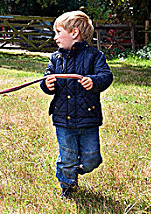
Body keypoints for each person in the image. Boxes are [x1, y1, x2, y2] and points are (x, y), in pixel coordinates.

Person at [40, 11, 113, 198]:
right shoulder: (55, 58)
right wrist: (47, 84)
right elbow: (46, 79)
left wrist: (94, 81)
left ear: (74, 33)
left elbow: (106, 76)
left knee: (92, 159)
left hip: (88, 118)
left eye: (58, 32)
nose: (55, 38)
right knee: (68, 157)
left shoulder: (95, 56)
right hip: (63, 118)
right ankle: (67, 185)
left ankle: (71, 171)